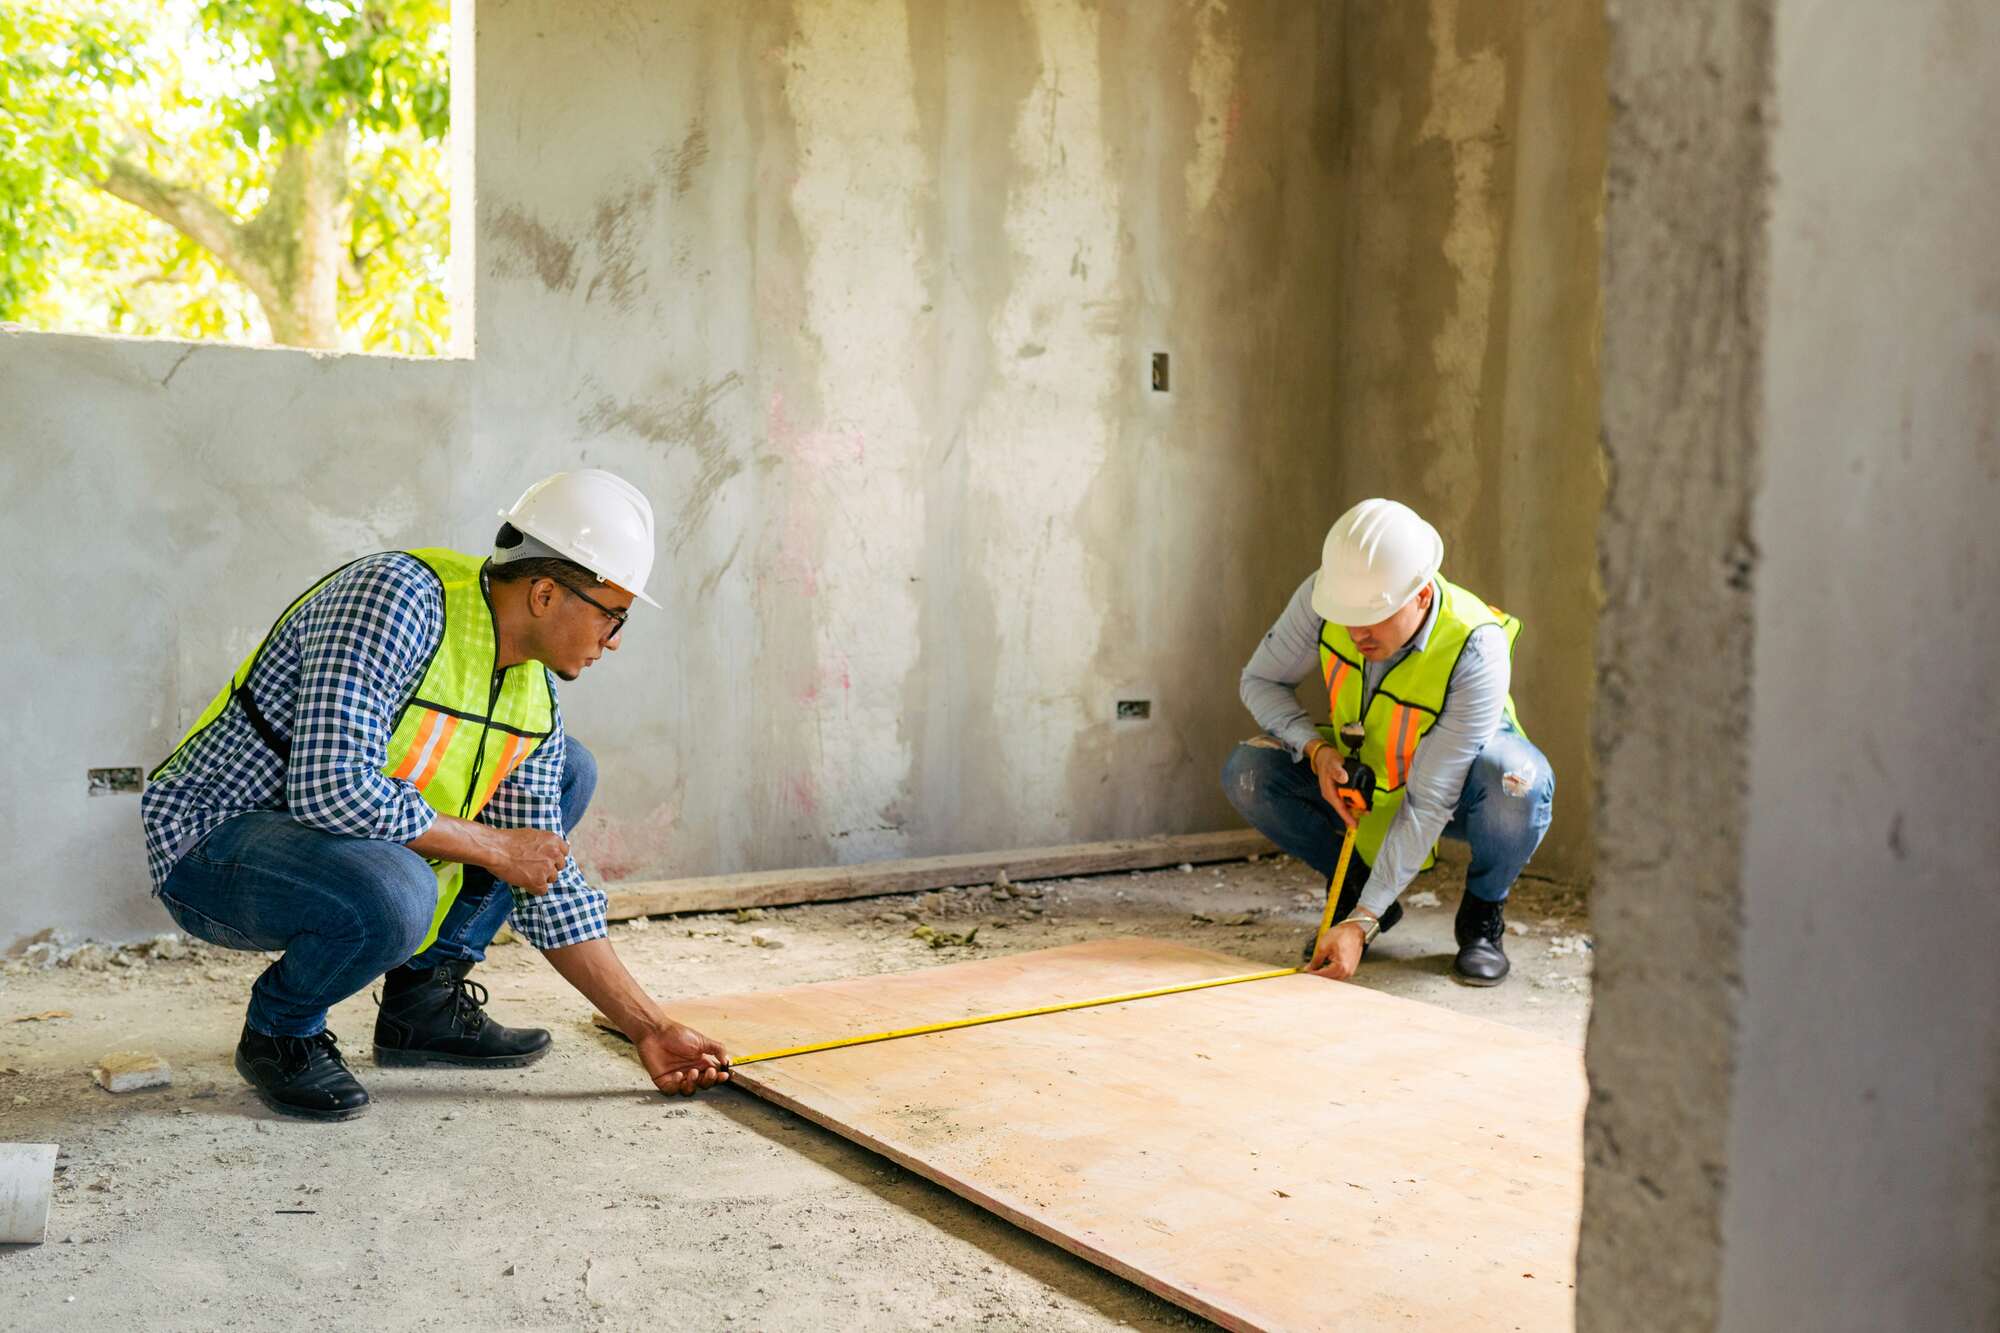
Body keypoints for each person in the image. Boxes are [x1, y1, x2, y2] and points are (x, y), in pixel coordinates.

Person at [140, 469, 729, 1119]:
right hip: (215, 838)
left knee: (567, 769)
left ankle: (423, 1004)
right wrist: (493, 845)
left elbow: (541, 875)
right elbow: (330, 787)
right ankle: (282, 1030)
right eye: (613, 615)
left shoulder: (533, 694)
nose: (614, 641)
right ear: (543, 593)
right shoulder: (398, 599)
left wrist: (650, 1027)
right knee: (399, 888)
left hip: (336, 852)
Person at [1222, 499, 1555, 986]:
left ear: (1421, 595)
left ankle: (1481, 917)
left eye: (1374, 614)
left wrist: (1360, 920)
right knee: (1248, 772)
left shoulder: (1476, 645)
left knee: (1516, 781)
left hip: (1460, 786)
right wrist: (1317, 752)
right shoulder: (1325, 598)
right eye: (1347, 613)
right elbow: (1260, 681)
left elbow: (1431, 798)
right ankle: (1359, 890)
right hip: (1370, 770)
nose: (1355, 629)